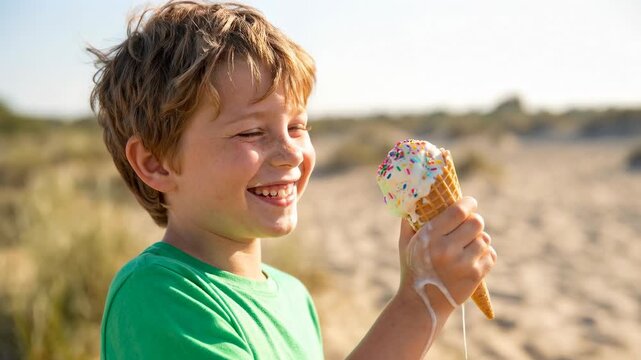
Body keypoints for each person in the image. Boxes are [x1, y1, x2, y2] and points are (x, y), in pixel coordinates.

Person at [88, 1, 497, 359]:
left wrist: (426, 295)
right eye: (250, 132)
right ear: (156, 163)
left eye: (298, 127)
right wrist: (419, 302)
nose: (290, 154)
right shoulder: (159, 296)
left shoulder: (294, 297)